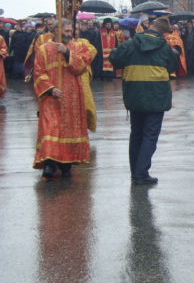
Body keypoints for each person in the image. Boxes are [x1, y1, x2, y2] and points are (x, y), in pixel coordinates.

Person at [109, 17, 177, 185]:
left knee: (137, 134)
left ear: (151, 26)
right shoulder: (165, 48)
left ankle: (135, 171)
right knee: (150, 135)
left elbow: (114, 58)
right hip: (156, 97)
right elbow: (172, 67)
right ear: (164, 32)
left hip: (135, 95)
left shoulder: (132, 43)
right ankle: (141, 173)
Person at [33, 19, 93, 179]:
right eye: (66, 31)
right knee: (51, 128)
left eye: (70, 31)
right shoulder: (43, 49)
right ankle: (49, 164)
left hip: (71, 96)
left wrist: (67, 53)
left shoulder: (78, 46)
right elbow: (38, 72)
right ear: (56, 31)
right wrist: (50, 88)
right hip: (50, 97)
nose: (69, 34)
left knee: (68, 130)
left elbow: (81, 68)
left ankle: (66, 164)